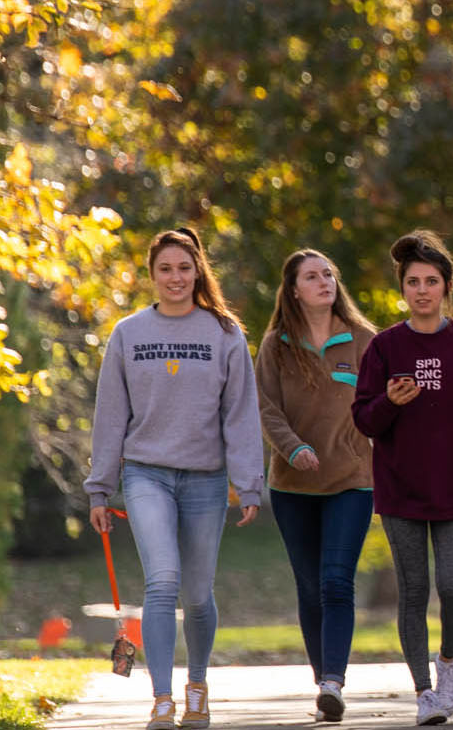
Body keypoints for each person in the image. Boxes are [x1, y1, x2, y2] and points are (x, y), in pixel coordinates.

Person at [85, 227, 265, 730]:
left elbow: (240, 414)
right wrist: (100, 486)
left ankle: (197, 686)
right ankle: (162, 698)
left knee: (198, 595)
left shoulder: (224, 333)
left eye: (184, 268)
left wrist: (250, 481)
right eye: (165, 269)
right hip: (147, 475)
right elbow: (111, 415)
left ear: (198, 271)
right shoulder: (128, 333)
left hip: (206, 480)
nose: (175, 277)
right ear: (152, 275)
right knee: (162, 582)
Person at [352, 230, 453, 726]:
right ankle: (424, 692)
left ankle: (447, 665)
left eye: (432, 281)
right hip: (401, 491)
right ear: (403, 288)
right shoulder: (383, 348)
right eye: (414, 281)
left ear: (447, 287)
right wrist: (389, 403)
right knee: (414, 591)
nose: (422, 290)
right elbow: (363, 419)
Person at [255, 249, 377, 724]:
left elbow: (379, 406)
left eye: (329, 272)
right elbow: (266, 409)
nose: (324, 281)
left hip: (352, 480)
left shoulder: (364, 340)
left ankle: (334, 682)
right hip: (292, 486)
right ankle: (322, 677)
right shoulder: (276, 345)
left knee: (335, 581)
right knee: (309, 586)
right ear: (293, 290)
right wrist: (293, 448)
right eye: (312, 276)